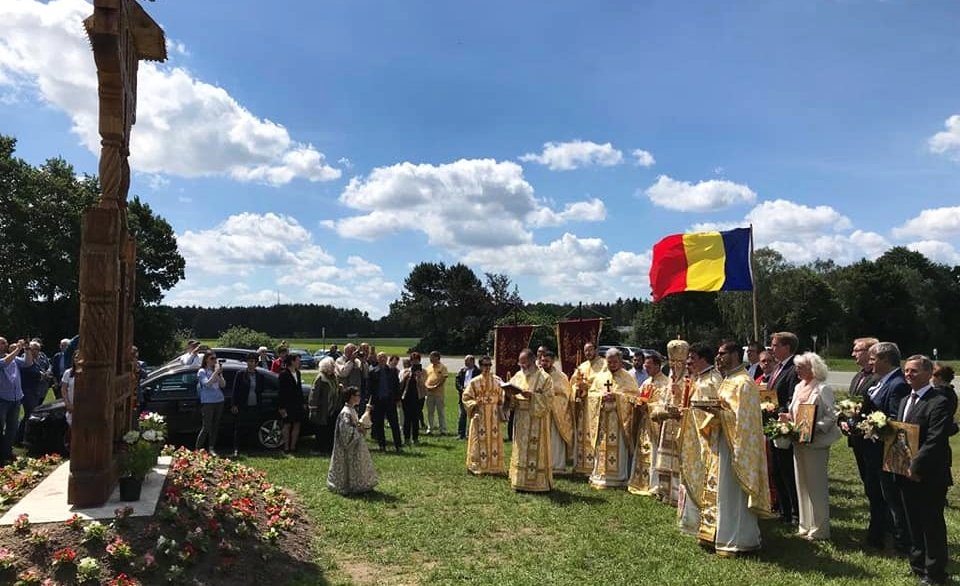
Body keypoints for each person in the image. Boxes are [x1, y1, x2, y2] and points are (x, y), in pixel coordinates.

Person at [680, 341, 771, 556]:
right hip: (722, 443)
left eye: (722, 353)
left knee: (732, 494)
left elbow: (744, 420)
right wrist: (716, 413)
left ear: (736, 355)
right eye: (718, 353)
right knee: (721, 493)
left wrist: (719, 412)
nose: (718, 357)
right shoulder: (728, 380)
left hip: (736, 448)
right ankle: (720, 534)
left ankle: (739, 539)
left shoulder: (743, 383)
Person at [895, 355, 952, 585]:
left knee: (931, 524)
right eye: (906, 371)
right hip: (905, 472)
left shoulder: (939, 401)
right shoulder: (904, 400)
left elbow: (935, 439)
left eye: (914, 371)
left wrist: (915, 465)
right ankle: (917, 564)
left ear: (929, 374)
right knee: (913, 521)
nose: (909, 375)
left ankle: (935, 573)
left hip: (929, 474)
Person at [780, 352, 840, 541]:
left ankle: (820, 528)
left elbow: (832, 416)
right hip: (799, 441)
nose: (797, 370)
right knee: (802, 484)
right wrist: (787, 420)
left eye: (801, 367)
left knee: (816, 486)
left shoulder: (823, 389)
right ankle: (805, 525)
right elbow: (796, 413)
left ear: (813, 368)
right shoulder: (799, 387)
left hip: (817, 444)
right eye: (796, 366)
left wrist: (815, 427)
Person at [866, 341, 911, 553]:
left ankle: (901, 541)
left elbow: (895, 420)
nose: (870, 363)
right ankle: (881, 535)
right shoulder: (881, 381)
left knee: (892, 498)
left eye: (873, 359)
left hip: (887, 452)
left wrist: (872, 426)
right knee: (878, 494)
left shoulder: (897, 384)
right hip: (874, 450)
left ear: (885, 359)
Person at [678, 342, 724, 535]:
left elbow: (717, 412)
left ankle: (705, 521)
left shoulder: (713, 380)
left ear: (703, 359)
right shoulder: (698, 379)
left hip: (707, 439)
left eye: (692, 358)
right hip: (693, 437)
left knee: (703, 477)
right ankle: (689, 521)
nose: (689, 361)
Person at [842, 337, 885, 548]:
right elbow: (850, 405)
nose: (853, 354)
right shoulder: (858, 376)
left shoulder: (878, 378)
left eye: (857, 350)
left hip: (873, 441)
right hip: (857, 440)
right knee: (868, 484)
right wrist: (844, 420)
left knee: (875, 487)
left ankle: (880, 530)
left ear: (870, 352)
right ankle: (876, 526)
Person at [586, 348, 639, 489]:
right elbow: (591, 396)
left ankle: (619, 478)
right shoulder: (600, 377)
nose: (612, 364)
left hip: (619, 420)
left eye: (615, 362)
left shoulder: (628, 378)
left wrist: (617, 397)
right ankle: (601, 476)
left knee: (618, 448)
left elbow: (634, 397)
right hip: (603, 419)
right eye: (609, 362)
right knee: (602, 447)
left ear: (621, 362)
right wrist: (600, 397)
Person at [506, 349, 554, 492]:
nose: (522, 367)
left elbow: (550, 399)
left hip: (536, 420)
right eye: (520, 364)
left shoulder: (544, 378)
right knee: (521, 450)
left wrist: (532, 396)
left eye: (525, 363)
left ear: (533, 361)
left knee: (535, 451)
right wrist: (509, 395)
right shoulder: (518, 375)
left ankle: (536, 483)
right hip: (521, 418)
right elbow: (512, 396)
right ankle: (519, 480)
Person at [628, 351, 673, 501]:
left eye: (649, 366)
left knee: (653, 453)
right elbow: (640, 396)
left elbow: (663, 405)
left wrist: (648, 406)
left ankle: (653, 484)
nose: (646, 369)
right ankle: (639, 482)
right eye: (645, 366)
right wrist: (636, 402)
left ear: (657, 366)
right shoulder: (647, 382)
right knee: (641, 452)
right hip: (644, 424)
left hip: (655, 424)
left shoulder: (665, 383)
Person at [768, 331, 801, 526]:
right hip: (773, 424)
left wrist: (778, 409)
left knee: (787, 471)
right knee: (777, 471)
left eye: (775, 345)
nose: (771, 349)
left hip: (784, 425)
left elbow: (792, 397)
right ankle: (784, 510)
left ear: (786, 347)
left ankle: (795, 513)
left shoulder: (793, 369)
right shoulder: (777, 368)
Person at [327, 386, 378, 495]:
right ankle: (347, 485)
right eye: (357, 395)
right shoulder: (346, 412)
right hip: (348, 446)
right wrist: (358, 430)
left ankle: (360, 483)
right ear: (351, 397)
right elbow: (345, 431)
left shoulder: (352, 410)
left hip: (356, 442)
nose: (359, 398)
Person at [462, 356, 506, 475]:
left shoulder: (497, 380)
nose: (487, 368)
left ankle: (495, 466)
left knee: (494, 440)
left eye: (489, 365)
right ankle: (478, 466)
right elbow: (466, 397)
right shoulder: (474, 381)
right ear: (480, 366)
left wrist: (502, 406)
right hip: (480, 414)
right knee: (479, 439)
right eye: (485, 365)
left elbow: (502, 397)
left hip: (493, 414)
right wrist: (474, 403)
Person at [571, 342, 606, 476]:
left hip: (596, 408)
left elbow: (605, 383)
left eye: (590, 350)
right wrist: (577, 389)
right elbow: (573, 383)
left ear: (596, 350)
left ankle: (594, 466)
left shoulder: (604, 365)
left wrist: (589, 387)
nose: (588, 353)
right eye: (586, 351)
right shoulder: (582, 366)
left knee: (594, 434)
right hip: (583, 407)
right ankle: (581, 465)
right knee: (582, 435)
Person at [541, 351, 574, 475]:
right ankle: (542, 464)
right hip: (542, 413)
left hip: (556, 415)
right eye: (542, 361)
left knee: (555, 439)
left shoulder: (561, 376)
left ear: (553, 361)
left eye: (547, 361)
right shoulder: (538, 375)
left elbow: (566, 395)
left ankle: (557, 466)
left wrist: (550, 398)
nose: (544, 363)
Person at [0, 338, 31, 464]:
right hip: (2, 399)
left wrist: (27, 349)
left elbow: (28, 363)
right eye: (1, 342)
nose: (4, 344)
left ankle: (7, 452)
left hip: (16, 398)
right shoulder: (7, 359)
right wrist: (18, 349)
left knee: (12, 428)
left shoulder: (12, 358)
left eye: (4, 342)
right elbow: (4, 363)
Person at [230, 353, 264, 457]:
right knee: (239, 428)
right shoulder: (240, 374)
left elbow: (261, 390)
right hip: (242, 405)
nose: (251, 363)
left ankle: (250, 449)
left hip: (254, 405)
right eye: (249, 361)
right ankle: (237, 449)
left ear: (256, 363)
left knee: (252, 427)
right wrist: (234, 405)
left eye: (253, 362)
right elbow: (235, 390)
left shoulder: (259, 376)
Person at [368, 352, 402, 453]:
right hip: (378, 402)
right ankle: (382, 445)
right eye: (380, 357)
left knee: (394, 424)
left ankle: (398, 445)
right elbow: (370, 388)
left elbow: (397, 387)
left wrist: (398, 399)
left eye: (384, 357)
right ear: (377, 359)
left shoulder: (392, 371)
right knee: (379, 424)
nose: (382, 359)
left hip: (390, 401)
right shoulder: (373, 372)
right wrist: (370, 402)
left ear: (387, 359)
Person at [17, 341, 48, 444]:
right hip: (27, 391)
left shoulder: (38, 361)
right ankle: (21, 437)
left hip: (35, 391)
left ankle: (20, 436)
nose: (37, 351)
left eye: (38, 349)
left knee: (29, 414)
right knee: (30, 414)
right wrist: (40, 375)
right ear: (29, 349)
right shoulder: (24, 359)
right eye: (34, 349)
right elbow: (29, 370)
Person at [196, 352, 226, 455]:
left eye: (215, 359)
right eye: (212, 358)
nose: (214, 361)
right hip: (208, 402)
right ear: (206, 360)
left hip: (219, 400)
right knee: (206, 426)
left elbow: (223, 385)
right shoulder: (202, 371)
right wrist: (215, 373)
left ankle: (211, 447)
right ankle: (198, 448)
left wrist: (219, 374)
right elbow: (207, 384)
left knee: (215, 425)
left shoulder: (215, 371)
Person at [310, 357, 341, 453]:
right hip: (322, 409)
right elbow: (314, 394)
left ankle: (329, 447)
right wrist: (313, 408)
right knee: (321, 430)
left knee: (331, 429)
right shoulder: (320, 378)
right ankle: (318, 448)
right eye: (332, 365)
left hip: (333, 408)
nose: (333, 367)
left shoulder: (334, 377)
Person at [278, 353, 305, 453]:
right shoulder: (283, 374)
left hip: (297, 403)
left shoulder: (298, 373)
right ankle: (286, 447)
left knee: (297, 424)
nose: (299, 362)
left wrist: (302, 402)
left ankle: (293, 446)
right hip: (287, 404)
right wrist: (281, 407)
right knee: (287, 424)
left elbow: (299, 389)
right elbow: (281, 391)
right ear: (292, 361)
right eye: (298, 360)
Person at [400, 352, 426, 446]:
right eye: (413, 361)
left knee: (415, 419)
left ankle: (415, 438)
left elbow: (423, 386)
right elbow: (401, 384)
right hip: (406, 397)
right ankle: (406, 438)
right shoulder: (405, 371)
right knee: (407, 419)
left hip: (418, 398)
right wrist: (407, 376)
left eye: (416, 361)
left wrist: (419, 377)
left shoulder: (423, 371)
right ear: (410, 361)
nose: (414, 362)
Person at [455, 355, 479, 440]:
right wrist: (462, 389)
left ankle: (471, 434)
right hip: (463, 395)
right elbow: (457, 381)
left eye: (467, 361)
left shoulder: (478, 371)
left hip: (474, 396)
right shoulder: (462, 371)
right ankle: (461, 434)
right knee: (462, 415)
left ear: (472, 361)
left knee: (473, 415)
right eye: (465, 361)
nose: (465, 363)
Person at [424, 351, 448, 435]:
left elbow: (444, 378)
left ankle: (443, 429)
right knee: (430, 411)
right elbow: (426, 378)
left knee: (440, 411)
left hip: (438, 393)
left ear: (437, 358)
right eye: (430, 357)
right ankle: (430, 428)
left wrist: (436, 386)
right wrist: (427, 386)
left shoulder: (442, 367)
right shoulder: (429, 367)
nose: (431, 359)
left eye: (432, 357)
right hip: (429, 392)